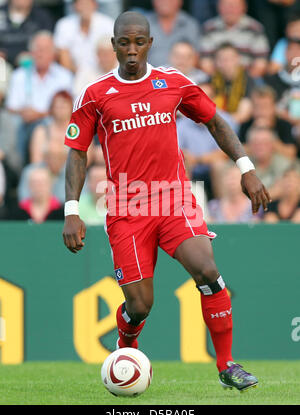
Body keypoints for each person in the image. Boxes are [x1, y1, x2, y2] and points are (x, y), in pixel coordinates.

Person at [62, 11, 271, 391]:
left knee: (207, 270)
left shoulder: (172, 82)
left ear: (149, 43)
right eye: (124, 43)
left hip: (173, 199)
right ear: (113, 45)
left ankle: (227, 364)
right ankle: (127, 345)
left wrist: (246, 167)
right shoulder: (94, 94)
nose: (131, 50)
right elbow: (77, 152)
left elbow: (216, 121)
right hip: (127, 208)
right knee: (140, 305)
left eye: (139, 42)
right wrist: (72, 210)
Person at [5, 31, 73, 164]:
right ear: (31, 53)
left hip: (52, 120)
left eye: (45, 50)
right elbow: (10, 107)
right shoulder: (19, 75)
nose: (40, 54)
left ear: (53, 54)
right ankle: (16, 165)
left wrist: (39, 114)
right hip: (24, 121)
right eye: (37, 50)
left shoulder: (64, 76)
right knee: (12, 123)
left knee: (42, 127)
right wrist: (24, 113)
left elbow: (69, 108)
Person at [199, 0, 270, 78]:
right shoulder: (209, 28)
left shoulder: (255, 28)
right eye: (226, 6)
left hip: (247, 80)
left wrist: (245, 84)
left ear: (244, 8)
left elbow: (261, 63)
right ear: (219, 7)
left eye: (234, 6)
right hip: (216, 81)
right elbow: (205, 62)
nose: (230, 9)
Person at [146, 0, 200, 67]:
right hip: (148, 75)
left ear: (180, 1)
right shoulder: (142, 24)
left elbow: (196, 57)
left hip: (181, 75)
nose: (165, 1)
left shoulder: (190, 25)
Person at [0, 0, 54, 67]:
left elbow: (48, 45)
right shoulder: (1, 12)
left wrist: (32, 55)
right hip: (3, 63)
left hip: (33, 65)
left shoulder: (42, 17)